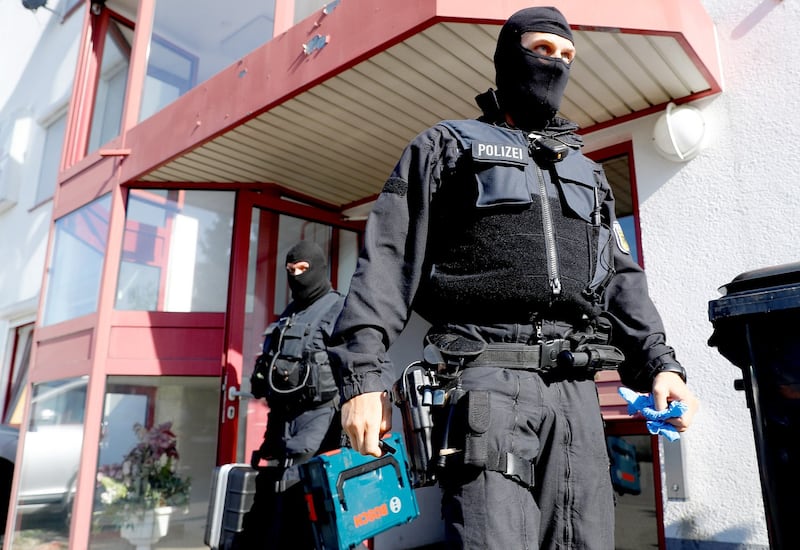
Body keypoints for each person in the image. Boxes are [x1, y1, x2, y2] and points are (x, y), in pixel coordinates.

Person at [327, 6, 699, 550]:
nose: (556, 63)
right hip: (486, 382)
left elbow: (620, 279)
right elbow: (385, 264)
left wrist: (659, 364)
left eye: (567, 55)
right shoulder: (445, 147)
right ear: (507, 55)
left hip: (576, 390)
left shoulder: (587, 173)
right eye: (542, 50)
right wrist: (363, 380)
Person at [234, 241, 344, 549]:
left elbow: (362, 361)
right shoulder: (289, 314)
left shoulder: (339, 309)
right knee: (271, 510)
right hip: (280, 427)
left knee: (306, 510)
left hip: (320, 427)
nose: (296, 275)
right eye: (290, 269)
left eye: (303, 269)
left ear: (319, 268)